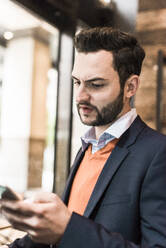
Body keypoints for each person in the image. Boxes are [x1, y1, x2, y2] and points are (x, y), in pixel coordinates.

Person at [1, 26, 166, 248]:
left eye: (95, 85)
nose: (80, 97)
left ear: (130, 87)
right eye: (76, 82)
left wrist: (67, 228)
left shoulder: (158, 153)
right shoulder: (88, 147)